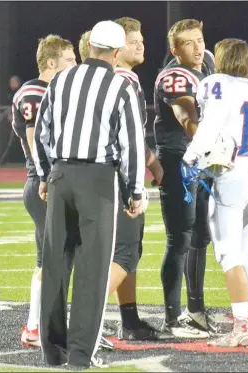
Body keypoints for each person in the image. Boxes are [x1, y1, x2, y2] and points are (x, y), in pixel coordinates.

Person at [32, 20, 146, 369]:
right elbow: (132, 144)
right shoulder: (119, 84)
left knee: (55, 265)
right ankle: (81, 355)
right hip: (98, 180)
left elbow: (41, 131)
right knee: (92, 271)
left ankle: (53, 352)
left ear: (90, 47)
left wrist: (46, 173)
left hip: (61, 174)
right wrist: (136, 191)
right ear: (115, 53)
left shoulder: (62, 79)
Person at [77, 20, 171, 342]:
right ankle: (84, 320)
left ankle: (129, 320)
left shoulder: (110, 79)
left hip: (95, 176)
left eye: (142, 40)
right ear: (116, 50)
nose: (140, 45)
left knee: (125, 251)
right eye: (133, 41)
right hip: (117, 177)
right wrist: (154, 167)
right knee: (125, 252)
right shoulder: (123, 80)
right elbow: (128, 138)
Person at [183, 38, 248, 347]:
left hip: (230, 175)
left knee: (228, 253)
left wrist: (190, 157)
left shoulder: (215, 83)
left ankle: (242, 327)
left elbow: (211, 124)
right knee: (245, 252)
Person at [11, 34, 77, 348]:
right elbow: (35, 137)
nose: (75, 65)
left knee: (60, 258)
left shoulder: (53, 92)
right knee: (49, 260)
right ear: (51, 62)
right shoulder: (36, 92)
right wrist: (46, 178)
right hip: (43, 184)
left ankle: (45, 323)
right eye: (70, 60)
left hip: (51, 182)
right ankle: (35, 327)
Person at [153, 19, 216, 338]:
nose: (198, 46)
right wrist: (210, 141)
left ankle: (196, 310)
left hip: (201, 159)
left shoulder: (207, 67)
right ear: (174, 50)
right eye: (189, 42)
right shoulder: (175, 75)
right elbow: (186, 115)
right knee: (180, 238)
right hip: (180, 159)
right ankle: (171, 318)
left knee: (201, 237)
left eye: (200, 39)